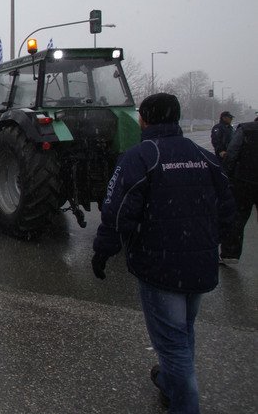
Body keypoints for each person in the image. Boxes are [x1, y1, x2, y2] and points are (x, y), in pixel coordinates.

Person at [91, 93, 234, 413]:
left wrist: (103, 251)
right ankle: (170, 383)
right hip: (200, 265)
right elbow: (228, 210)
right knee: (182, 332)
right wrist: (210, 244)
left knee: (172, 345)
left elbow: (117, 211)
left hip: (160, 268)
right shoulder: (205, 157)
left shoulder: (141, 157)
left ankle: (184, 403)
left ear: (143, 119)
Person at [220, 115, 258, 263]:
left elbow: (232, 153)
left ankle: (230, 253)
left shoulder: (246, 129)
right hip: (245, 180)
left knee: (238, 217)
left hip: (245, 181)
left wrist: (226, 175)